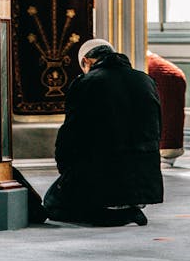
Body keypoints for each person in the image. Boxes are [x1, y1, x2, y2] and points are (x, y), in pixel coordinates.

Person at [44, 39, 163, 226]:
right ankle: (131, 209)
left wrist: (67, 174)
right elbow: (157, 130)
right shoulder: (146, 80)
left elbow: (70, 136)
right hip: (145, 181)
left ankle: (118, 216)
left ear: (86, 61)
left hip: (102, 176)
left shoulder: (86, 82)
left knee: (51, 203)